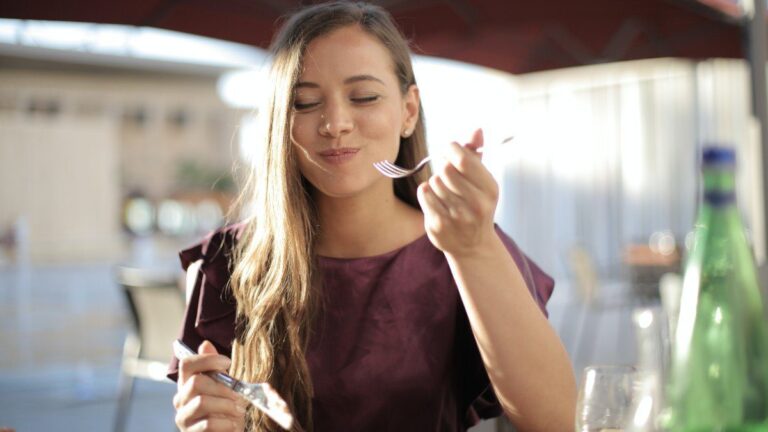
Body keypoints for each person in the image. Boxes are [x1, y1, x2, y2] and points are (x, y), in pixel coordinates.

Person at [168, 2, 576, 431]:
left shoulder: (464, 245)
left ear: (409, 111)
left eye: (364, 96)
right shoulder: (232, 260)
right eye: (305, 103)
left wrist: (473, 250)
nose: (335, 123)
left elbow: (555, 420)